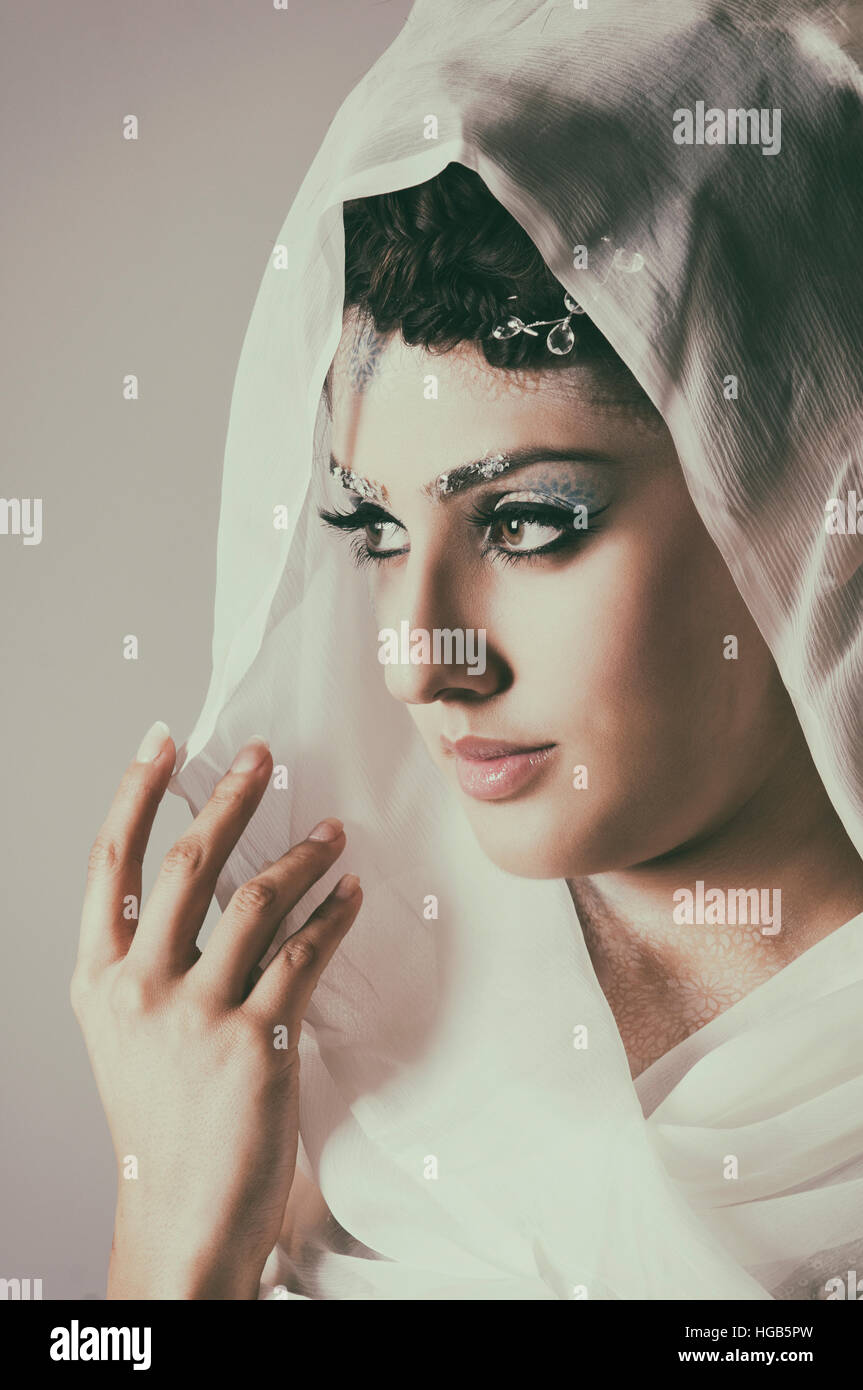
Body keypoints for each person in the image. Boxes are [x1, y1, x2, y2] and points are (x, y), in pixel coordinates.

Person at [73, 0, 863, 1300]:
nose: (414, 659)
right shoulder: (332, 992)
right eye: (375, 527)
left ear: (803, 485)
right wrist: (169, 1242)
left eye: (530, 521)